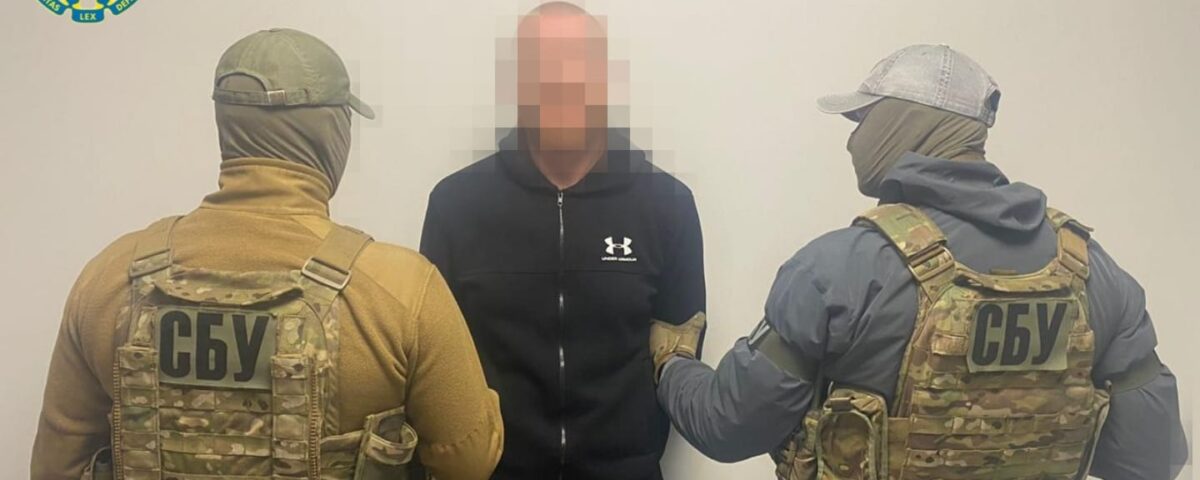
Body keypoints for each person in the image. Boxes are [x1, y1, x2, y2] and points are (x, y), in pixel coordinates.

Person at [652, 44, 1188, 479]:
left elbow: (728, 426)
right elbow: (1153, 458)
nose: (853, 140)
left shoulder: (839, 270)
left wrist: (671, 363)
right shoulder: (1092, 272)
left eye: (862, 119)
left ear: (903, 122)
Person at [31, 28, 503, 480]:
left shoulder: (111, 277)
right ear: (332, 131)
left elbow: (57, 466)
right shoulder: (399, 289)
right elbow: (469, 461)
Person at [420, 3, 705, 479]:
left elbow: (677, 362)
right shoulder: (456, 205)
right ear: (516, 83)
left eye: (578, 61)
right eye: (541, 64)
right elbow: (432, 369)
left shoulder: (667, 205)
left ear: (606, 78)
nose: (561, 79)